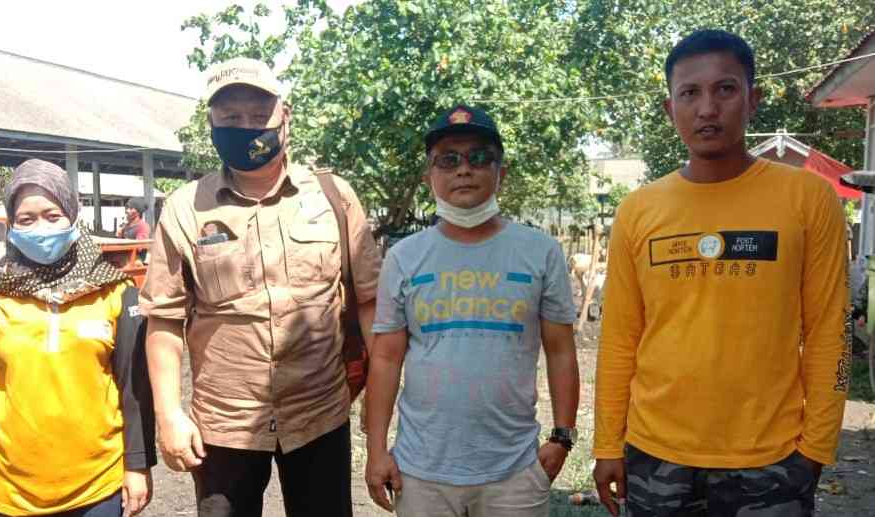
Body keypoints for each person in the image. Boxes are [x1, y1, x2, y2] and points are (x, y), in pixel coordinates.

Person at [593, 30, 851, 516]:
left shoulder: (807, 199)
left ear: (753, 99)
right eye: (689, 93)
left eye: (725, 89)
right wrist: (608, 442)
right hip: (655, 455)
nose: (707, 108)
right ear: (670, 108)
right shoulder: (638, 210)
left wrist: (816, 447)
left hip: (771, 458)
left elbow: (829, 332)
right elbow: (620, 337)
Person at [139, 57, 382, 517]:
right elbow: (164, 321)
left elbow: (370, 302)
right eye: (231, 117)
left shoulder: (333, 197)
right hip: (224, 425)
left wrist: (377, 400)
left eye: (258, 115)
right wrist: (169, 416)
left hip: (319, 414)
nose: (246, 127)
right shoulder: (186, 208)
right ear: (212, 123)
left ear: (284, 116)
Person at [365, 105, 581, 517]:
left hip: (515, 472)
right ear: (429, 176)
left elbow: (560, 350)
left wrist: (562, 438)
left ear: (502, 172)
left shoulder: (540, 252)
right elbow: (386, 358)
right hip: (421, 472)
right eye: (448, 160)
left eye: (479, 157)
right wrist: (376, 450)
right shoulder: (404, 257)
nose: (464, 169)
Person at [0, 159, 156, 517]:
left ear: (73, 217)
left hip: (98, 487)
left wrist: (138, 465)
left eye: (53, 216)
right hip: (10, 491)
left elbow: (135, 384)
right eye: (26, 219)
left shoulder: (114, 290)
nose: (41, 229)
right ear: (11, 225)